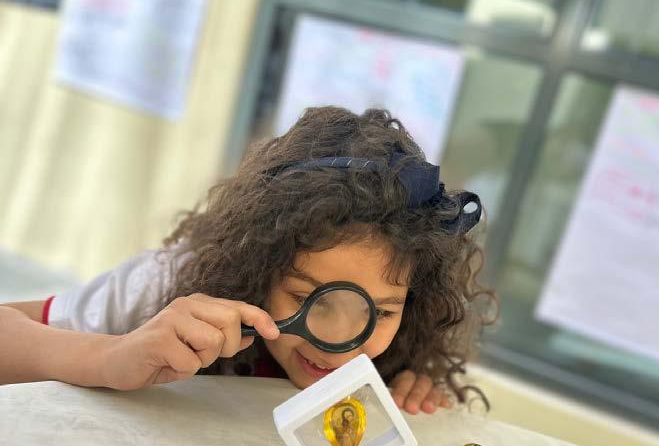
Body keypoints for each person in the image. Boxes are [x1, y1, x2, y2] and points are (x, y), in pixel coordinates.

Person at [0, 107, 493, 414]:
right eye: (306, 297)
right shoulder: (166, 288)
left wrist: (412, 387)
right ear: (257, 265)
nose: (338, 346)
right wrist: (111, 356)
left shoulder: (396, 355)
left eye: (381, 312)